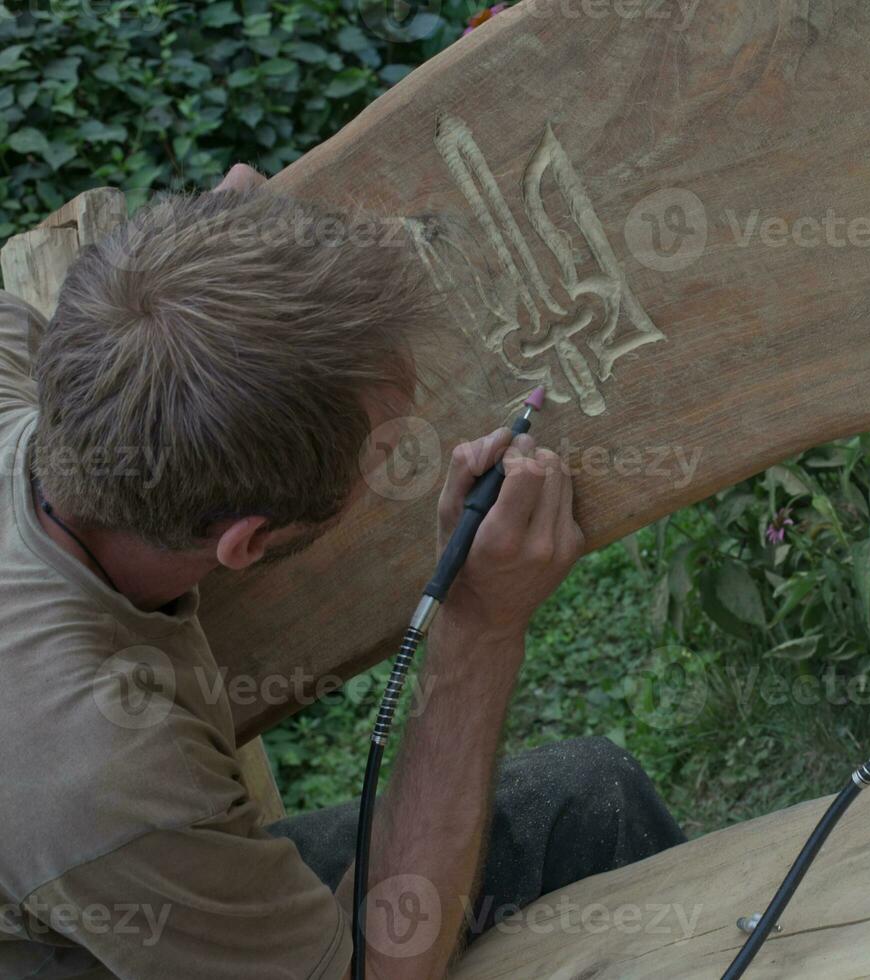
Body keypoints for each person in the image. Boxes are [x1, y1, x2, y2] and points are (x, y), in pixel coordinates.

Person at [0, 164, 685, 979]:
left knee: (587, 799)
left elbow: (151, 323)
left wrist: (210, 277)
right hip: (71, 939)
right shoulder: (110, 774)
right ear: (249, 543)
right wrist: (478, 629)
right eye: (389, 453)